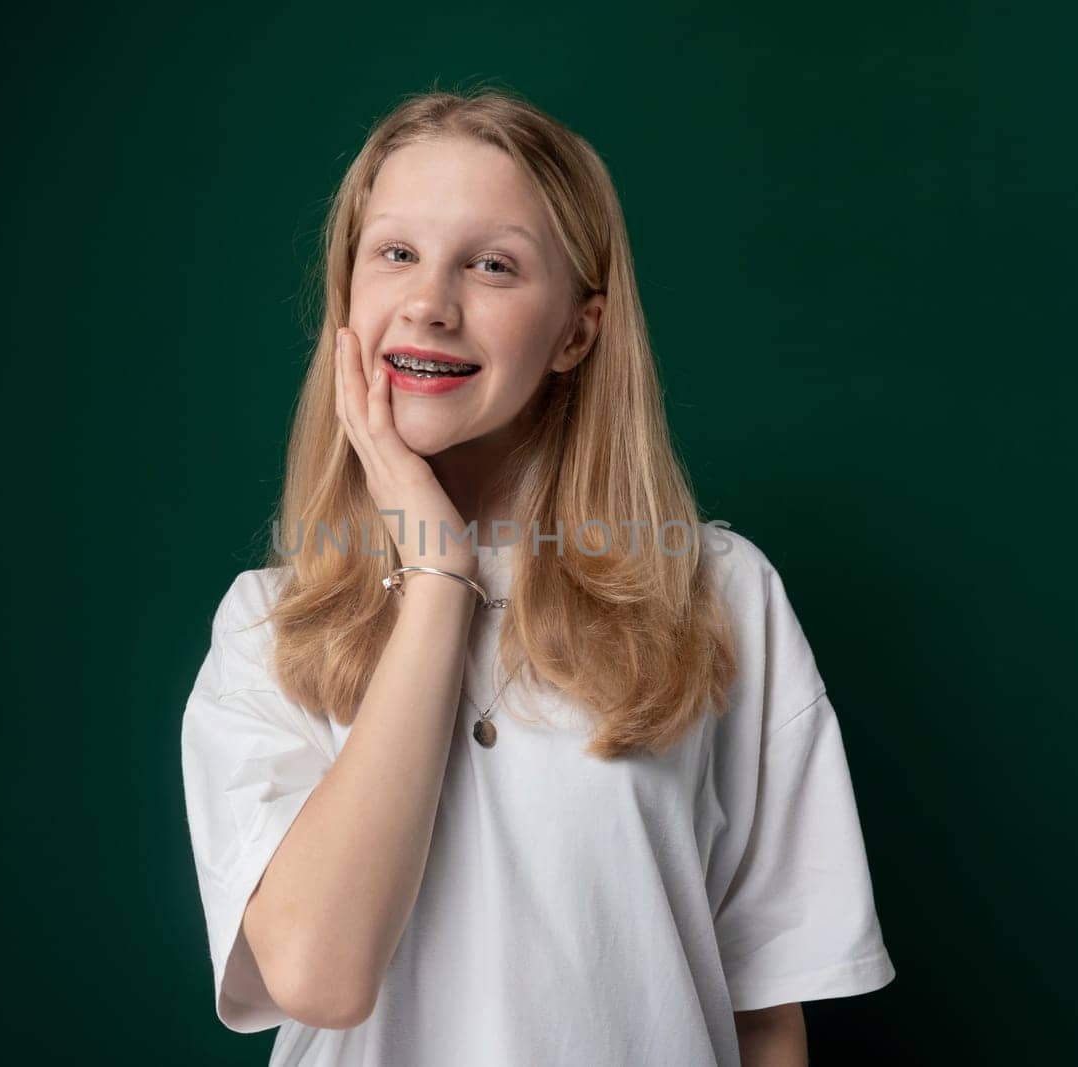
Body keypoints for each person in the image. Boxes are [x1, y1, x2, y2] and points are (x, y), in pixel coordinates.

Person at [180, 86, 896, 1066]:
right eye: (395, 253)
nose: (430, 302)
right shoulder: (267, 629)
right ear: (348, 298)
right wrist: (437, 575)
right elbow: (319, 975)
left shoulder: (720, 595)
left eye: (492, 264)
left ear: (576, 332)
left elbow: (766, 1012)